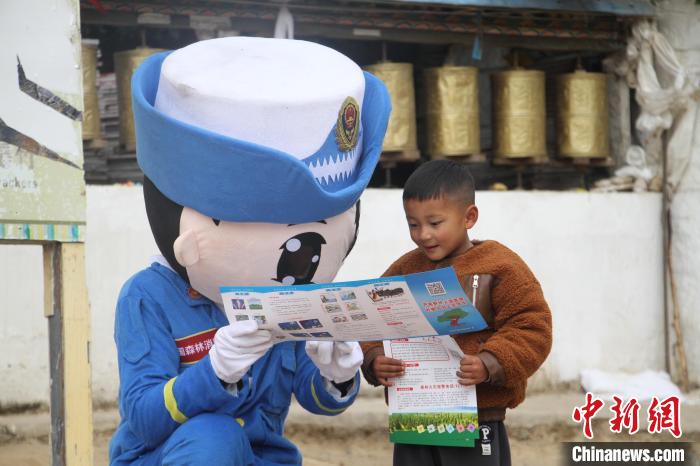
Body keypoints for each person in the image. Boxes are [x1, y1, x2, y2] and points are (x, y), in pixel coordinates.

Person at [109, 36, 391, 465]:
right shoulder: (149, 297)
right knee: (214, 438)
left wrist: (336, 376)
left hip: (262, 456)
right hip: (168, 457)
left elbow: (313, 398)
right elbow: (145, 419)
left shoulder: (291, 299)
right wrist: (214, 372)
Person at [360, 159, 552, 466]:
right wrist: (374, 359)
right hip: (415, 417)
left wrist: (490, 363)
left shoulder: (500, 266)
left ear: (469, 217)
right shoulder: (405, 269)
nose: (423, 235)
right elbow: (373, 320)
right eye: (413, 224)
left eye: (435, 223)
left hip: (476, 418)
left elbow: (532, 328)